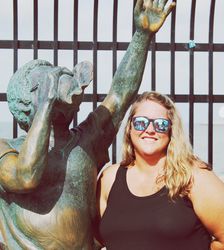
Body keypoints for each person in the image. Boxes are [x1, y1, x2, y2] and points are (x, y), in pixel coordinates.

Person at [0, 1, 175, 249]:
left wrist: (142, 36)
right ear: (26, 104)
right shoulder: (7, 150)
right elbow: (25, 176)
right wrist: (47, 102)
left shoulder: (84, 141)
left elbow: (119, 96)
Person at [97, 91, 224, 250]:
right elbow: (95, 238)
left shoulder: (195, 177)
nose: (150, 129)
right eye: (140, 122)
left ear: (171, 131)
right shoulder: (109, 178)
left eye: (160, 124)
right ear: (129, 128)